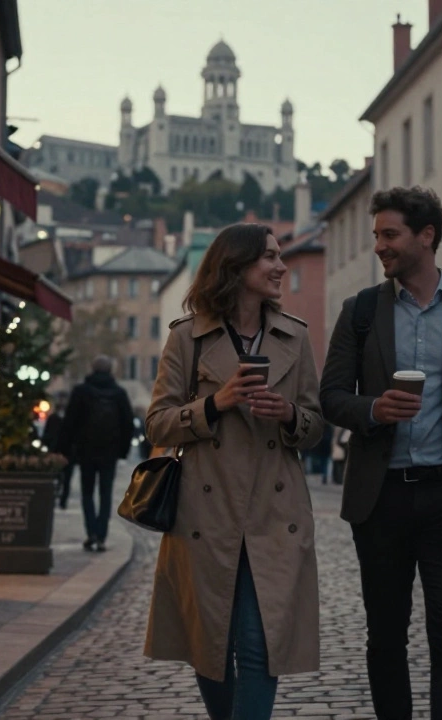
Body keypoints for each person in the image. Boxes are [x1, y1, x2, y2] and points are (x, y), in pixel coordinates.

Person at [319, 186, 442, 720]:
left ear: (426, 237)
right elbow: (331, 396)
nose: (379, 246)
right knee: (385, 640)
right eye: (376, 235)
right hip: (380, 501)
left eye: (389, 234)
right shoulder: (360, 313)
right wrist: (373, 410)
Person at [144, 222, 325, 720]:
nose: (281, 266)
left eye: (280, 256)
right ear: (236, 266)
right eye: (268, 257)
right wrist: (215, 404)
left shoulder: (295, 336)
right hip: (206, 515)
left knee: (259, 643)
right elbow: (157, 422)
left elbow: (315, 426)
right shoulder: (189, 339)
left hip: (273, 513)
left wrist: (289, 415)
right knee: (211, 648)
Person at [61, 356, 134, 552]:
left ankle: (91, 532)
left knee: (87, 492)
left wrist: (66, 449)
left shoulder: (81, 392)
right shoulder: (119, 393)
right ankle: (102, 535)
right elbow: (128, 424)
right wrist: (123, 451)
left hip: (86, 450)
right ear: (111, 370)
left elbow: (69, 423)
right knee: (106, 493)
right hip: (110, 451)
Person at [41, 393, 76, 510]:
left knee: (66, 478)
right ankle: (55, 497)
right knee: (55, 476)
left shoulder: (71, 418)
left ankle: (63, 500)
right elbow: (47, 434)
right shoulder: (53, 418)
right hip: (55, 451)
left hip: (67, 453)